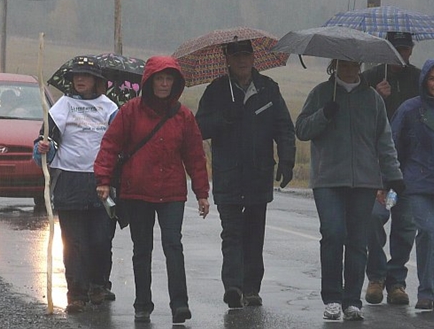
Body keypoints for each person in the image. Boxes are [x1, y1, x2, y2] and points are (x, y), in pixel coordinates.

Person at [94, 56, 210, 325]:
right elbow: (110, 146)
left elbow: (195, 157)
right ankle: (142, 304)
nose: (164, 84)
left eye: (169, 79)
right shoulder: (130, 112)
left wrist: (202, 192)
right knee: (142, 249)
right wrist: (103, 179)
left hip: (171, 193)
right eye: (160, 78)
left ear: (176, 83)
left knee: (173, 246)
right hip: (138, 193)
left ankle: (180, 305)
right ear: (149, 81)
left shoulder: (183, 116)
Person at [295, 59, 405, 321]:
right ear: (334, 64)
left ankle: (352, 301)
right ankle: (332, 297)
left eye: (353, 63)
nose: (349, 68)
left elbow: (384, 140)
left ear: (360, 64)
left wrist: (394, 175)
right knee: (333, 233)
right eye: (343, 63)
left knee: (357, 240)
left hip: (365, 181)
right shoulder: (321, 93)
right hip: (328, 179)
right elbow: (301, 129)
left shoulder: (373, 99)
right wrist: (324, 114)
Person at [195, 39, 296, 309]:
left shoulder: (268, 89)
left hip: (258, 173)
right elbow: (199, 128)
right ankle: (233, 286)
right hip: (228, 174)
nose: (242, 61)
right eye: (236, 56)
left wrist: (287, 160)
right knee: (231, 234)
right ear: (227, 59)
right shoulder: (216, 91)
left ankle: (251, 288)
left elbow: (283, 126)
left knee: (254, 234)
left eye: (246, 55)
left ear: (254, 58)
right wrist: (223, 119)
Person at [33, 56, 119, 313]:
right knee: (74, 241)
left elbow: (119, 143)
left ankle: (98, 284)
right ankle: (76, 292)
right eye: (76, 76)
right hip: (70, 180)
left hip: (102, 181)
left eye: (86, 76)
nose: (80, 80)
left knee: (101, 239)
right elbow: (44, 141)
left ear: (96, 81)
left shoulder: (110, 108)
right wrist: (43, 148)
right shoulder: (62, 107)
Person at [361, 32, 421, 306]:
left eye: (405, 49)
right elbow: (358, 120)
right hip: (376, 170)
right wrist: (375, 97)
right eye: (395, 49)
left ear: (411, 51)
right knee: (374, 217)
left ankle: (397, 281)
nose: (401, 54)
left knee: (405, 225)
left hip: (408, 171)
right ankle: (376, 276)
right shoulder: (370, 79)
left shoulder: (420, 80)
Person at [389, 59, 434, 311]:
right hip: (416, 184)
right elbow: (393, 146)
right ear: (424, 81)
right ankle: (426, 292)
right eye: (432, 78)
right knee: (427, 231)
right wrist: (390, 181)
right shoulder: (409, 110)